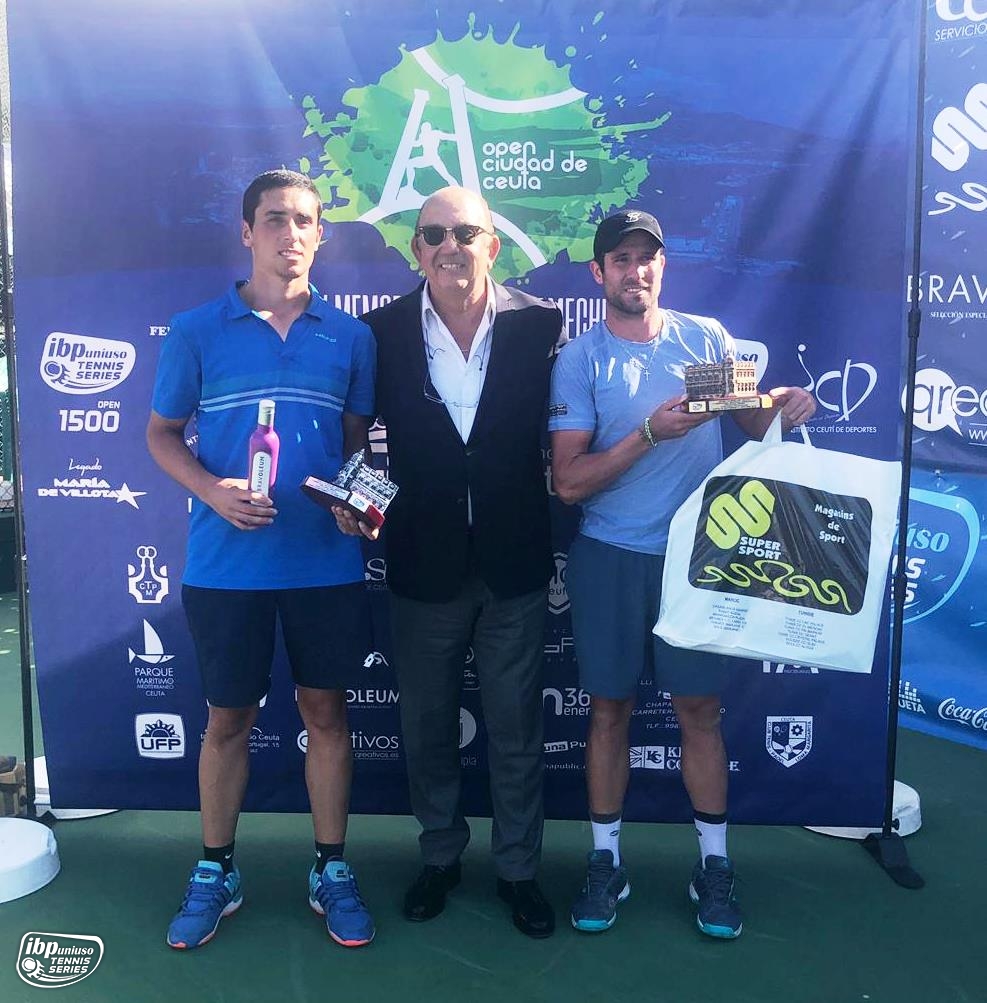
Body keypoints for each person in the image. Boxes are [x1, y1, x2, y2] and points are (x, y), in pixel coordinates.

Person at [549, 210, 816, 940]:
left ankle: (714, 865)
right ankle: (605, 861)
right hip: (608, 554)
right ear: (598, 273)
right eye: (621, 259)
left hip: (697, 563)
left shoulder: (705, 340)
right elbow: (568, 482)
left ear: (661, 267)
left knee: (699, 713)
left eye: (647, 258)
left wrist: (784, 404)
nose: (635, 271)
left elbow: (753, 423)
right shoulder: (581, 359)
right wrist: (647, 433)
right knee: (608, 712)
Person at [147, 169, 377, 950]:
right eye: (274, 219)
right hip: (226, 567)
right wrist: (211, 490)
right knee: (227, 720)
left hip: (324, 565)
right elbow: (160, 435)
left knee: (327, 715)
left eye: (304, 220)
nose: (290, 233)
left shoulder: (351, 337)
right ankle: (216, 868)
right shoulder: (195, 330)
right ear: (247, 232)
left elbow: (355, 446)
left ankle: (331, 867)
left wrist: (353, 500)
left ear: (321, 235)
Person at [335, 186, 563, 938]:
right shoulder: (381, 332)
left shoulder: (541, 325)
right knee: (427, 726)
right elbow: (354, 438)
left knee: (516, 730)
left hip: (514, 562)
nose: (449, 246)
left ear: (493, 244)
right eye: (433, 234)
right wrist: (348, 496)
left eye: (465, 232)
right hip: (420, 560)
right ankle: (439, 857)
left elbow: (578, 423)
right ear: (416, 250)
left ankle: (519, 870)